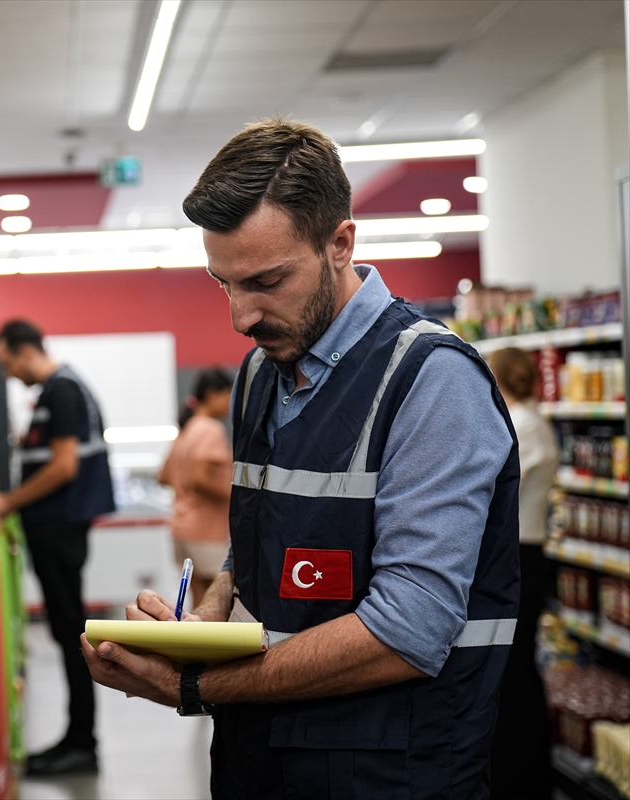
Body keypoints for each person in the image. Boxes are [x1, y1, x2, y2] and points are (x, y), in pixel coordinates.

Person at [80, 118, 520, 798]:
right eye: (223, 283)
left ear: (340, 243)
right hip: (262, 759)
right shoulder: (260, 375)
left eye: (266, 281)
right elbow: (273, 540)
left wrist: (197, 685)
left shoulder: (432, 382)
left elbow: (410, 627)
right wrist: (208, 622)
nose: (240, 316)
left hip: (391, 772)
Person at [0, 319, 116, 776]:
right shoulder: (60, 389)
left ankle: (82, 744)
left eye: (7, 363)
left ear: (25, 352)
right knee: (67, 634)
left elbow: (63, 467)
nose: (8, 374)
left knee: (71, 636)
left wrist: (8, 502)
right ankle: (76, 738)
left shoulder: (61, 390)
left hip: (59, 530)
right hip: (59, 529)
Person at [487, 347, 557, 800]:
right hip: (517, 555)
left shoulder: (526, 426)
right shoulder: (522, 421)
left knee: (514, 674)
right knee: (509, 672)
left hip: (522, 558)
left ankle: (525, 777)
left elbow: (495, 488)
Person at [159, 369, 234, 609]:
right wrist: (235, 497)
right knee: (222, 601)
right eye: (228, 395)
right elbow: (199, 478)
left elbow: (163, 476)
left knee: (198, 601)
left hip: (182, 527)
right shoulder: (210, 429)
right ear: (213, 394)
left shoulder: (187, 429)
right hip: (206, 531)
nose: (230, 403)